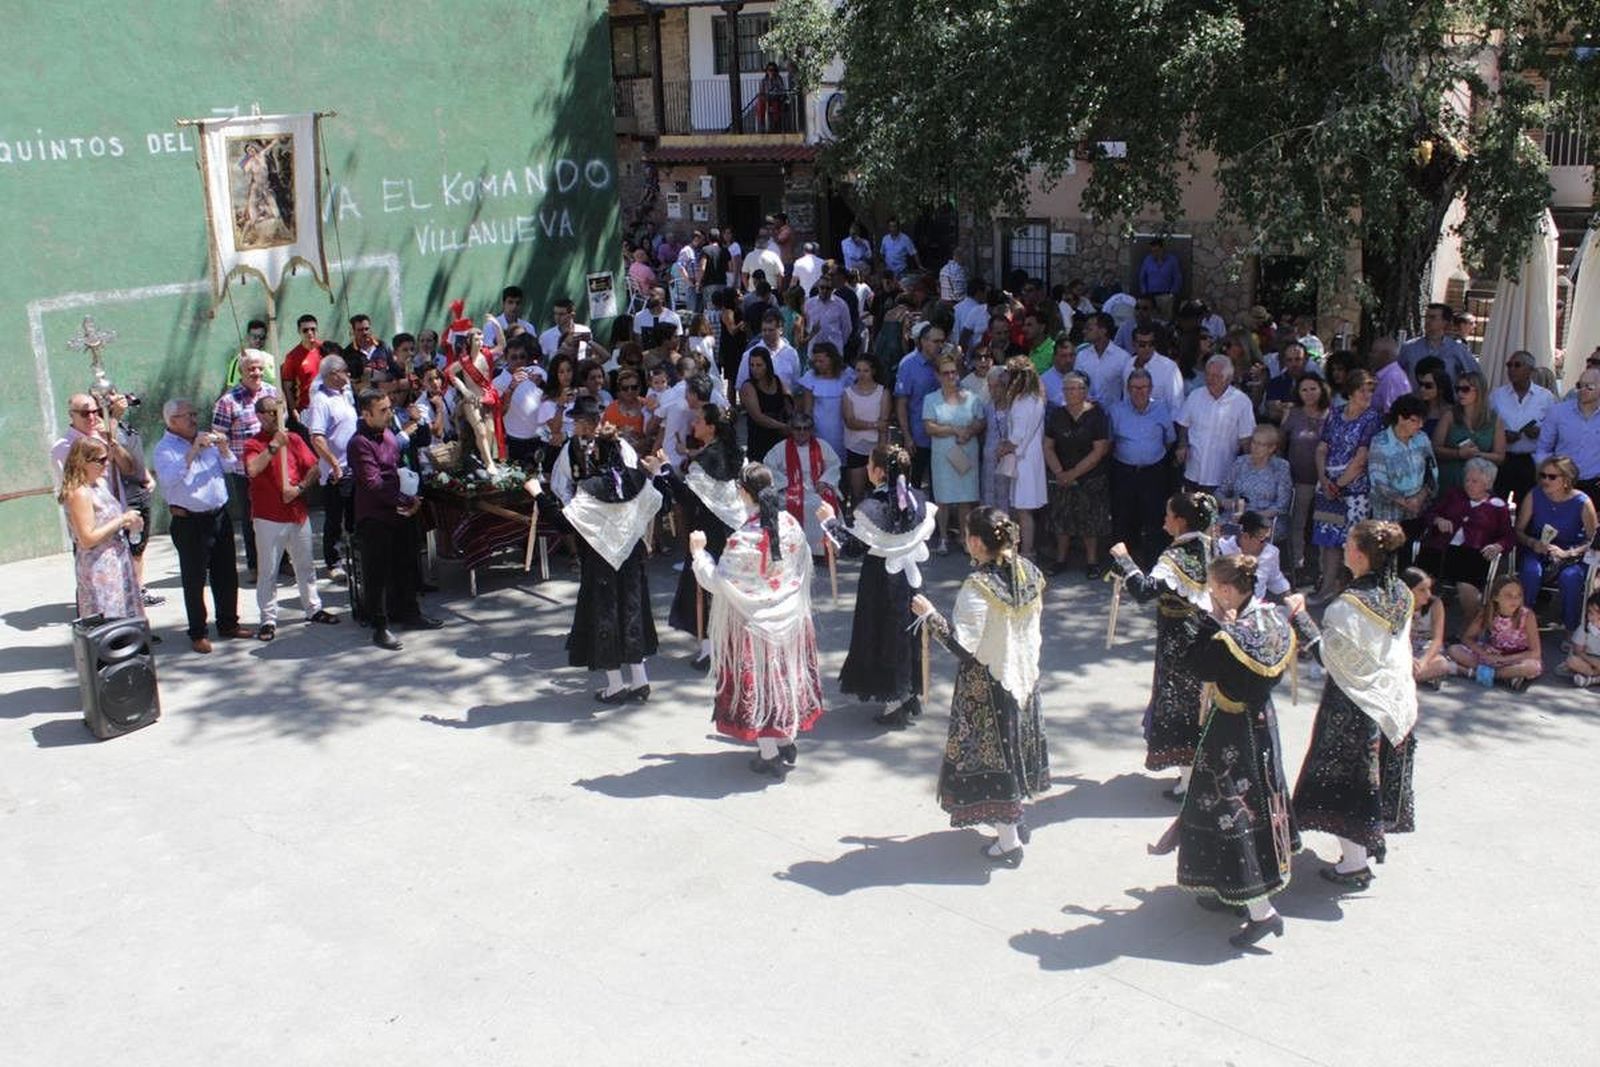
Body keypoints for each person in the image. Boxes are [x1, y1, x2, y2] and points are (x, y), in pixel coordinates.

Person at [909, 507, 1050, 869]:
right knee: (1015, 747)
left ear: (974, 541)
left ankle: (1009, 843)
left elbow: (962, 646)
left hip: (988, 685)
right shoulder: (1029, 573)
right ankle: (1016, 819)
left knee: (995, 758)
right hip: (1023, 676)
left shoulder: (978, 588)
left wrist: (930, 616)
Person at [1171, 555, 1300, 947]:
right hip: (1262, 722)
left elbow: (1196, 663)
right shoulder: (1271, 618)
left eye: (1213, 588)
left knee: (1232, 809)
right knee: (1255, 802)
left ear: (1228, 591)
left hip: (1230, 730)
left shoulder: (1231, 637)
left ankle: (1261, 912)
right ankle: (1226, 885)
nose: (1210, 595)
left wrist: (1210, 620)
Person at [1290, 520, 1417, 890]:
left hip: (1355, 707)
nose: (1344, 548)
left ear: (1360, 554)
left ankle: (1355, 864)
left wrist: (1298, 617)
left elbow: (1330, 658)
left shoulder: (1347, 607)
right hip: (1395, 699)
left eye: (1348, 544)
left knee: (1348, 785)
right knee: (1370, 779)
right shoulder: (1401, 594)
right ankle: (1358, 854)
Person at [690, 463, 824, 776]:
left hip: (754, 625)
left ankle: (768, 753)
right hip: (790, 618)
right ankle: (787, 739)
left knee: (763, 684)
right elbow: (802, 563)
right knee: (785, 678)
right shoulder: (789, 523)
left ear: (743, 492)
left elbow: (718, 583)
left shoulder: (743, 539)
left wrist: (699, 553)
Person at [1109, 490, 1217, 799]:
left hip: (1177, 642)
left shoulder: (1174, 557)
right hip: (1201, 632)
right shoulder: (1210, 545)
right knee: (1197, 701)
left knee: (1181, 704)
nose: (1164, 520)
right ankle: (1195, 773)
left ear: (1180, 521)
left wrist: (1124, 560)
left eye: (1168, 515)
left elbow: (1144, 591)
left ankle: (1189, 780)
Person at [821, 443, 937, 730]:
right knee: (906, 629)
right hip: (911, 577)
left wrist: (829, 522)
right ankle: (908, 692)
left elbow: (852, 548)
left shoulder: (873, 509)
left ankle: (895, 701)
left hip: (881, 579)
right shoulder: (917, 500)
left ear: (878, 471)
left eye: (870, 464)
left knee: (886, 633)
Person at [546, 413, 662, 701]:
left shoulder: (591, 487)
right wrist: (660, 471)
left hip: (602, 562)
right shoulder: (636, 479)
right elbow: (660, 502)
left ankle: (615, 684)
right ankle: (640, 679)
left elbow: (563, 523)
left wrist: (537, 494)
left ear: (598, 453)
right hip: (632, 558)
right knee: (631, 610)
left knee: (606, 615)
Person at [652, 400, 744, 669]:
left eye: (699, 420)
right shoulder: (731, 451)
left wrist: (664, 469)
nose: (693, 424)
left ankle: (710, 649)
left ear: (712, 427)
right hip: (730, 526)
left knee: (703, 586)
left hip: (709, 530)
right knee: (721, 586)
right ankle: (721, 646)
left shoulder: (705, 460)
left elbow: (689, 498)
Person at [349, 389, 439, 650]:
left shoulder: (388, 434)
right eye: (383, 410)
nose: (390, 414)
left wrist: (411, 497)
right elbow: (374, 484)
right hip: (374, 516)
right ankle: (380, 625)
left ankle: (409, 612)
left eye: (389, 408)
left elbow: (398, 467)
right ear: (366, 414)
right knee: (376, 573)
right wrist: (406, 500)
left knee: (407, 563)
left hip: (399, 510)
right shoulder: (359, 443)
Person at [242, 397, 338, 640]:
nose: (275, 417)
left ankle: (313, 608)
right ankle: (268, 618)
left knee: (305, 565)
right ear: (260, 415)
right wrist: (273, 446)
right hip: (268, 517)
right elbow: (252, 470)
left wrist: (299, 488)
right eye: (270, 412)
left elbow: (314, 467)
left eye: (279, 412)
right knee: (268, 570)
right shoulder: (253, 443)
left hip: (297, 513)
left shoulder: (294, 439)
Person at [153, 399, 244, 652]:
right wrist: (193, 451)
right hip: (190, 522)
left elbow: (230, 466)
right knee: (194, 580)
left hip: (219, 516)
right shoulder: (165, 449)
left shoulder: (206, 440)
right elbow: (170, 479)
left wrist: (224, 448)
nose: (194, 419)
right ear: (172, 421)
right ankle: (198, 632)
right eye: (187, 415)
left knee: (226, 573)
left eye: (194, 413)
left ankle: (228, 623)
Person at [1310, 369, 1382, 601]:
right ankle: (1327, 588)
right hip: (1328, 486)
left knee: (1350, 544)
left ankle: (1348, 594)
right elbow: (1322, 447)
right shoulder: (1335, 413)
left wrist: (1338, 485)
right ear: (1350, 392)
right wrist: (1323, 479)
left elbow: (1361, 458)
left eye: (1370, 390)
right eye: (1362, 390)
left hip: (1353, 492)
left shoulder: (1372, 418)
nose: (1367, 394)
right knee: (1328, 542)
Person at [1415, 456, 1514, 620]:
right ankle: (1418, 624)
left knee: (1467, 586)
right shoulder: (1454, 495)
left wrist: (1498, 546)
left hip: (1472, 554)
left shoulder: (1497, 506)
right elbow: (1428, 514)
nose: (1468, 484)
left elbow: (1509, 536)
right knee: (1421, 581)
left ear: (1487, 484)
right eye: (1467, 479)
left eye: (1474, 481)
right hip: (1441, 547)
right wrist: (1438, 520)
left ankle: (1469, 630)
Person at [58, 438, 144, 621]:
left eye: (108, 458)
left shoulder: (99, 485)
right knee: (109, 622)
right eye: (101, 460)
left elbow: (108, 520)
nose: (107, 464)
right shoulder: (79, 493)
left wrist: (130, 522)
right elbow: (87, 538)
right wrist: (122, 519)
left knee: (126, 621)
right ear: (83, 462)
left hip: (117, 560)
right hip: (99, 567)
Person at [211, 350, 279, 579]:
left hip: (274, 466)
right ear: (241, 371)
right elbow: (218, 436)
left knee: (279, 512)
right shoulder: (228, 402)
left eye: (260, 368)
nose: (257, 372)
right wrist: (229, 457)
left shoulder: (272, 393)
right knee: (253, 518)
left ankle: (284, 560)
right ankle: (256, 565)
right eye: (251, 368)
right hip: (245, 471)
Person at [1515, 455, 1597, 638]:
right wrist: (1532, 543)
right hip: (1539, 549)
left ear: (1566, 480)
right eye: (1543, 475)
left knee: (1571, 577)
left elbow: (1594, 541)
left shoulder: (1582, 502)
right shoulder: (1534, 495)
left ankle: (1571, 629)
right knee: (1530, 571)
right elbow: (1518, 530)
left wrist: (1568, 553)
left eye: (1552, 477)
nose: (1545, 480)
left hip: (1572, 554)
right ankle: (1521, 625)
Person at [1042, 371, 1111, 578]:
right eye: (1068, 389)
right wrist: (1060, 472)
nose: (1072, 393)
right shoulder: (1057, 414)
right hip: (1061, 476)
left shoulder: (1097, 415)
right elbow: (1048, 445)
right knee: (1061, 520)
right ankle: (1060, 559)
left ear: (1085, 391)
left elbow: (1099, 449)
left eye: (1076, 388)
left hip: (1090, 476)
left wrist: (1074, 473)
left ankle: (1092, 562)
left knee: (1090, 521)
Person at [1108, 368, 1176, 569]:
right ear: (1128, 389)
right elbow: (1110, 442)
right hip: (1124, 472)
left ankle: (1154, 565)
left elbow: (1169, 440)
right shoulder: (1116, 410)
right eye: (1135, 387)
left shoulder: (1161, 408)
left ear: (1151, 388)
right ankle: (1121, 565)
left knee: (1155, 519)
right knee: (1123, 518)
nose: (1140, 391)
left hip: (1153, 472)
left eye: (1144, 387)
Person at [923, 353, 986, 553]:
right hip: (943, 454)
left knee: (966, 497)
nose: (950, 376)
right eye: (945, 373)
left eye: (953, 372)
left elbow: (981, 421)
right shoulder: (931, 399)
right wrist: (954, 429)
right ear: (938, 376)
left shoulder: (971, 398)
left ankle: (964, 537)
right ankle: (942, 537)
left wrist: (969, 431)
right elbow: (929, 427)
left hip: (967, 451)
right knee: (943, 498)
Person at [1367, 394, 1438, 563]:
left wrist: (1420, 497)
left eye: (1422, 421)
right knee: (1388, 561)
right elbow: (1378, 481)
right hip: (1388, 514)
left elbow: (1432, 471)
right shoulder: (1380, 442)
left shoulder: (1422, 439)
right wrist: (1405, 502)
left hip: (1417, 513)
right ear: (1400, 418)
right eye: (1414, 420)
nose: (1420, 425)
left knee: (1410, 561)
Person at [306, 354, 359, 579]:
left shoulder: (344, 394)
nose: (348, 373)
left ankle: (356, 557)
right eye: (345, 370)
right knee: (334, 519)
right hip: (336, 472)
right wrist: (335, 464)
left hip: (353, 467)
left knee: (354, 516)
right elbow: (317, 437)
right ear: (333, 374)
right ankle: (333, 562)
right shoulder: (321, 401)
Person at [763, 411, 841, 556]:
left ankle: (822, 551)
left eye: (806, 428)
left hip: (816, 486)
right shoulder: (781, 448)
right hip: (789, 487)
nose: (802, 432)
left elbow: (834, 465)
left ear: (811, 430)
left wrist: (825, 481)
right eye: (798, 428)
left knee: (822, 505)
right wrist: (787, 483)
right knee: (787, 503)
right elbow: (768, 466)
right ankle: (792, 550)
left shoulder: (822, 446)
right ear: (791, 429)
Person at [1177, 355, 1256, 494]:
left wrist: (1248, 472)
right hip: (1192, 471)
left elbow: (1246, 440)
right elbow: (1183, 425)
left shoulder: (1241, 402)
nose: (1210, 379)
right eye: (1208, 374)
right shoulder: (1195, 396)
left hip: (1221, 474)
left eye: (1216, 376)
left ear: (1229, 378)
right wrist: (1182, 445)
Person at [1448, 576, 1543, 691]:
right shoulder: (1488, 612)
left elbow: (1535, 652)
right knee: (1454, 650)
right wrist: (1485, 654)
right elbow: (1467, 638)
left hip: (1517, 657)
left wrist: (1506, 659)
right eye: (1509, 595)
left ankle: (1473, 673)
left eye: (1518, 595)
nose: (1514, 599)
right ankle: (1507, 677)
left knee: (1531, 667)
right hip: (1494, 654)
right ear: (1496, 597)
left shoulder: (1527, 615)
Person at [998, 358, 1048, 559]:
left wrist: (1004, 448)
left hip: (1023, 460)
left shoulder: (1021, 402)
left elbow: (1017, 436)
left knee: (1023, 510)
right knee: (1024, 508)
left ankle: (1026, 551)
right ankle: (1026, 549)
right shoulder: (1036, 399)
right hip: (1032, 458)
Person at [1488, 350, 1553, 500]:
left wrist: (1539, 432)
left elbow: (1554, 428)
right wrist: (1501, 436)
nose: (1512, 369)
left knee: (1527, 505)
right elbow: (1486, 425)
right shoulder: (1497, 396)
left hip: (1530, 461)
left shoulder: (1546, 397)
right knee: (1496, 502)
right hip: (1503, 459)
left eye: (1517, 365)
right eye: (1509, 365)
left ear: (1530, 370)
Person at [1432, 371, 1505, 493]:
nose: (1460, 393)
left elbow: (1500, 456)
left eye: (1465, 389)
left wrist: (1477, 454)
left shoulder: (1494, 420)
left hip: (1479, 484)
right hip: (1450, 481)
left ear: (1479, 391)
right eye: (1457, 389)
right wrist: (1459, 453)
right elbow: (1435, 448)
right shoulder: (1450, 416)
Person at [1534, 368, 1600, 503]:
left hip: (1594, 483)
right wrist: (1549, 475)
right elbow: (1543, 448)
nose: (1583, 390)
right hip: (1560, 481)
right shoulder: (1558, 412)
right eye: (1579, 385)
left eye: (1590, 387)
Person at [1220, 425, 1293, 543]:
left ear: (1272, 448)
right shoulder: (1241, 462)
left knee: (1244, 536)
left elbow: (1281, 506)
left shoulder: (1281, 467)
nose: (1255, 447)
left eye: (1261, 444)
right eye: (1254, 442)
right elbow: (1220, 491)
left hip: (1264, 520)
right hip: (1234, 517)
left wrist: (1250, 517)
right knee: (1215, 533)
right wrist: (1225, 502)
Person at [841, 355, 890, 505]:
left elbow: (885, 423)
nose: (861, 374)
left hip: (877, 448)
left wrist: (881, 451)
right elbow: (850, 422)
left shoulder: (883, 392)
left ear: (873, 371)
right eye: (858, 370)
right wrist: (874, 425)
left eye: (866, 371)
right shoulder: (848, 393)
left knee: (879, 492)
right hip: (855, 447)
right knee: (857, 493)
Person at [1216, 511, 1291, 601]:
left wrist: (1292, 599)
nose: (1265, 544)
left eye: (1267, 539)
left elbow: (1276, 580)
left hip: (1255, 609)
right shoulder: (1220, 549)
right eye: (1262, 539)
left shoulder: (1270, 553)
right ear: (1245, 537)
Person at [1399, 303, 1480, 382]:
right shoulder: (1409, 347)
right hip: (1416, 394)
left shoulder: (1457, 349)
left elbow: (1476, 377)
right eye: (1426, 317)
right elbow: (1396, 375)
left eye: (1432, 317)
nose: (1427, 321)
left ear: (1445, 322)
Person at [740, 346, 792, 463]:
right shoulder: (748, 386)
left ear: (767, 365)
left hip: (780, 439)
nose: (754, 369)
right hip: (760, 440)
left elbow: (788, 401)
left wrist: (791, 420)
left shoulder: (777, 380)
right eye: (752, 365)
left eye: (759, 365)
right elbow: (758, 417)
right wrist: (783, 426)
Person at [1137, 239, 1182, 321]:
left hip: (1166, 296)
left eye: (1157, 251)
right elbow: (1142, 278)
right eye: (1152, 251)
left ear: (1162, 249)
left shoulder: (1172, 260)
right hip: (1150, 296)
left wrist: (1172, 294)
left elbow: (1177, 278)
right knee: (1151, 318)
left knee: (1166, 319)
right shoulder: (1148, 260)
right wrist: (1144, 293)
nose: (1154, 253)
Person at [1563, 592, 1600, 688]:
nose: (1594, 617)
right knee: (1572, 661)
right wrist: (1593, 661)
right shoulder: (1585, 628)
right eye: (1591, 612)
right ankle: (1594, 676)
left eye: (1598, 613)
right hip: (1588, 660)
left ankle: (1592, 679)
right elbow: (1578, 651)